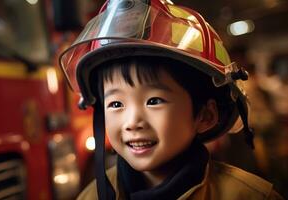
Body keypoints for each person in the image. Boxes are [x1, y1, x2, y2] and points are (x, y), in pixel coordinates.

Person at [58, 0, 285, 199]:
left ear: (205, 115)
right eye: (116, 104)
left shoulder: (249, 196)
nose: (132, 122)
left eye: (154, 101)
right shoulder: (90, 196)